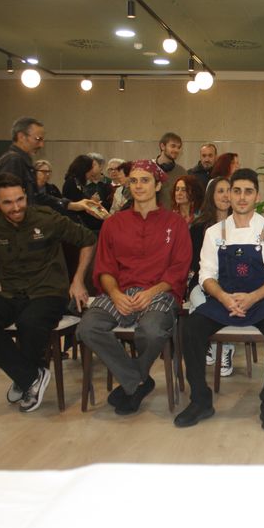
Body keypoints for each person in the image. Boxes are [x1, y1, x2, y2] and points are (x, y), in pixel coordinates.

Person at [175, 168, 264, 431]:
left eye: (248, 192)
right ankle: (200, 400)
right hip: (223, 298)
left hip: (262, 299)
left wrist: (253, 297)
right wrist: (223, 297)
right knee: (191, 328)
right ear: (229, 195)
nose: (241, 197)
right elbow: (206, 274)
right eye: (236, 191)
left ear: (257, 196)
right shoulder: (215, 232)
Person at [0, 173, 96, 412]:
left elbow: (88, 239)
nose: (16, 207)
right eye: (8, 202)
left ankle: (25, 378)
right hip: (12, 294)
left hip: (48, 292)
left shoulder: (47, 218)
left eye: (20, 199)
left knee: (29, 322)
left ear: (25, 196)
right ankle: (30, 376)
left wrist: (78, 280)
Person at [76, 160, 191, 416]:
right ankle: (137, 381)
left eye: (145, 180)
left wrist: (152, 292)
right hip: (118, 292)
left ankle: (132, 380)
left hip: (160, 293)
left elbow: (179, 269)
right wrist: (115, 294)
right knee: (87, 328)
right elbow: (104, 268)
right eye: (134, 181)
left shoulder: (175, 223)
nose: (138, 186)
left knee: (151, 331)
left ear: (158, 185)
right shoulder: (113, 223)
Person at [0, 117, 99, 217]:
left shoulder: (23, 162)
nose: (41, 145)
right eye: (38, 139)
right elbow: (9, 204)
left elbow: (37, 197)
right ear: (21, 137)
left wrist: (72, 205)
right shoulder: (13, 161)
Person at [188, 177, 234, 374]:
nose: (225, 195)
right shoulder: (199, 227)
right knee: (202, 307)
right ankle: (214, 344)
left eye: (229, 190)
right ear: (211, 196)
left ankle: (226, 347)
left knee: (228, 303)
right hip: (202, 281)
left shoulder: (242, 224)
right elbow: (193, 263)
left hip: (234, 283)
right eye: (220, 191)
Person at [63, 155, 109, 232]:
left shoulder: (77, 182)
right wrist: (91, 202)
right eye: (90, 169)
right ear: (84, 169)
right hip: (78, 224)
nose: (92, 172)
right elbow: (76, 205)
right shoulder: (71, 183)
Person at [154, 132, 187, 211]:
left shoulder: (182, 172)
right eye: (173, 146)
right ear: (162, 146)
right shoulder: (148, 170)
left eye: (178, 147)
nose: (176, 150)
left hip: (173, 216)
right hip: (150, 216)